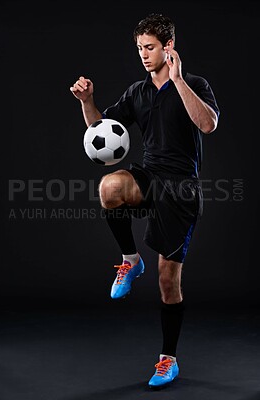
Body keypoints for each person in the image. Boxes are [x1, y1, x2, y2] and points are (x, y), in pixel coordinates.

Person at [70, 13, 220, 389]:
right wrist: (87, 102)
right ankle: (130, 260)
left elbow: (208, 124)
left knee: (168, 281)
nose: (143, 54)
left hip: (181, 190)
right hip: (149, 178)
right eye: (139, 48)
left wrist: (179, 79)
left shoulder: (194, 84)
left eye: (150, 47)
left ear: (169, 46)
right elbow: (100, 129)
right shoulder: (137, 92)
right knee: (109, 188)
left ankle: (167, 360)